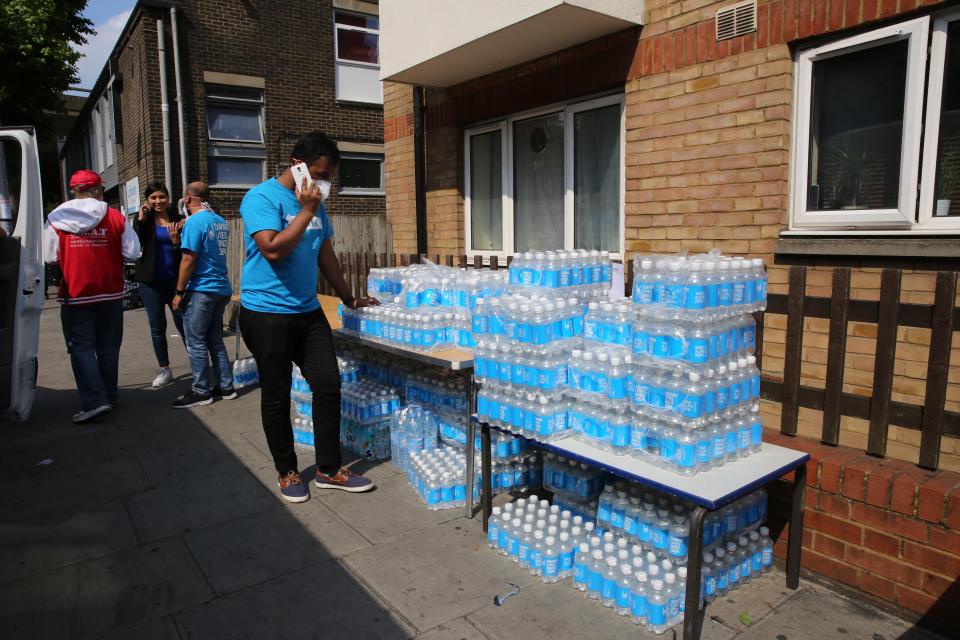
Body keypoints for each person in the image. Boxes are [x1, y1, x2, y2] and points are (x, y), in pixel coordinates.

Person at [239, 131, 379, 503]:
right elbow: (271, 250)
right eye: (320, 174)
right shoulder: (261, 198)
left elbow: (324, 252)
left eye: (330, 176)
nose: (325, 183)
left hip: (306, 310)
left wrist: (348, 297)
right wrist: (304, 211)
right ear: (297, 166)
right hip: (266, 313)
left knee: (328, 383)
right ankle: (286, 471)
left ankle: (329, 470)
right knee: (276, 392)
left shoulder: (316, 203)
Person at [42, 170, 141, 423]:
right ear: (98, 188)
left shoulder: (56, 217)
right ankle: (108, 394)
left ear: (73, 189)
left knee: (81, 348)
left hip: (76, 293)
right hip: (110, 292)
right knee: (108, 347)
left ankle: (94, 401)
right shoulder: (115, 216)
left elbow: (49, 256)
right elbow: (132, 253)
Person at [170, 182, 235, 408]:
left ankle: (201, 391)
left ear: (188, 199)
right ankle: (226, 387)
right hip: (220, 287)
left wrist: (179, 292)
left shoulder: (195, 222)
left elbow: (189, 259)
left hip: (202, 289)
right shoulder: (219, 220)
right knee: (215, 339)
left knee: (195, 340)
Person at [132, 181, 185, 389]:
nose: (158, 201)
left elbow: (186, 252)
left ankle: (199, 366)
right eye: (153, 197)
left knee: (183, 325)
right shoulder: (142, 220)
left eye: (161, 196)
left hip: (174, 281)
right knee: (157, 327)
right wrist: (141, 219)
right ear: (147, 200)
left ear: (168, 197)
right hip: (150, 282)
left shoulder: (179, 220)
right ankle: (164, 369)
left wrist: (175, 241)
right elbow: (136, 245)